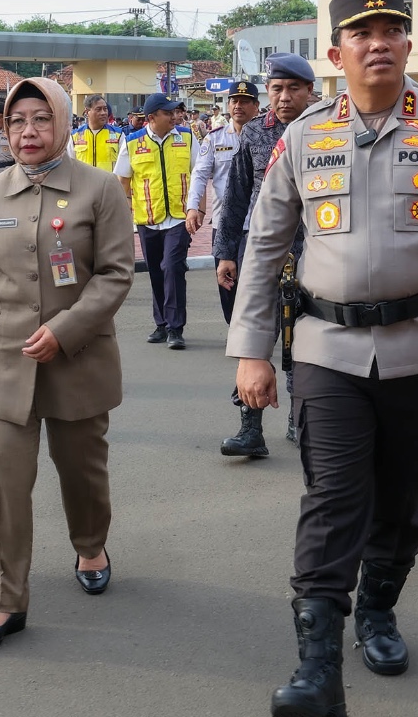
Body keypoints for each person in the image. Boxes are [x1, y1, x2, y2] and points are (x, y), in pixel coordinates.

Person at [228, 0, 418, 717]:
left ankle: (378, 613)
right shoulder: (302, 135)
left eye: (391, 29)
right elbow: (263, 247)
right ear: (337, 53)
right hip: (325, 348)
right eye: (362, 32)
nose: (377, 41)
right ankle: (317, 666)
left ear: (408, 45)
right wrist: (252, 352)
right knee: (332, 499)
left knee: (402, 496)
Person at [0, 77, 134, 651]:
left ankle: (90, 543)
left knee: (82, 473)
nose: (28, 132)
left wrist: (66, 328)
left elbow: (115, 274)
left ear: (63, 123)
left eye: (41, 119)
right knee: (1, 489)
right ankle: (4, 601)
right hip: (3, 359)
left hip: (77, 359)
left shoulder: (99, 189)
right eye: (17, 120)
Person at [214, 54, 317, 454]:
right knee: (256, 335)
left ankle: (301, 420)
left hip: (315, 250)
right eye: (277, 89)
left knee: (308, 339)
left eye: (294, 89)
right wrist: (226, 252)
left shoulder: (328, 128)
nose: (285, 97)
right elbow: (235, 196)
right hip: (266, 250)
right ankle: (250, 428)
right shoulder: (255, 133)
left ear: (310, 91)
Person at [115, 92, 195, 350]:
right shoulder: (131, 142)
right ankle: (161, 324)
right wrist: (127, 210)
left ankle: (175, 327)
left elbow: (198, 174)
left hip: (179, 217)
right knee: (156, 273)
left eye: (175, 112)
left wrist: (198, 209)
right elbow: (123, 181)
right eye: (168, 113)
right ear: (151, 118)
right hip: (147, 218)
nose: (175, 116)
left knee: (172, 267)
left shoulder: (187, 137)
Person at [186, 79, 259, 321]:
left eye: (245, 102)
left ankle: (252, 331)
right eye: (234, 101)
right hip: (225, 223)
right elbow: (199, 175)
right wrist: (193, 207)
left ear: (256, 106)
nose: (239, 106)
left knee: (255, 282)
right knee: (227, 280)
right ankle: (235, 327)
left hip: (259, 223)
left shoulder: (265, 138)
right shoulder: (214, 139)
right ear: (228, 105)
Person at [69, 95, 123, 173]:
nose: (103, 113)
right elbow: (70, 165)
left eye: (105, 109)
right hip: (83, 183)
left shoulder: (119, 135)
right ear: (87, 112)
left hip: (109, 183)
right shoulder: (75, 136)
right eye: (98, 109)